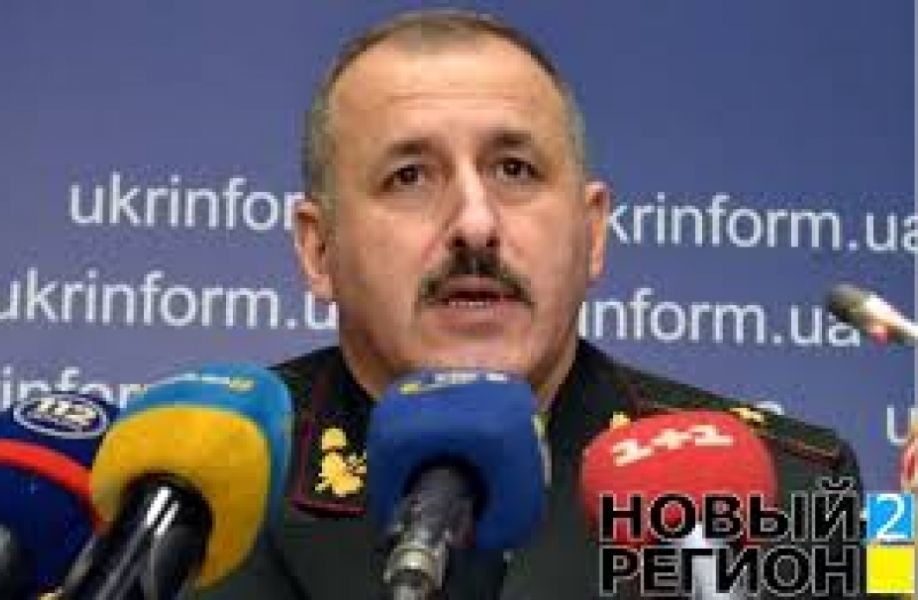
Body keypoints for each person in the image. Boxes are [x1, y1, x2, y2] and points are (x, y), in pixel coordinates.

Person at [200, 9, 869, 599]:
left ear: (593, 234)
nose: (475, 224)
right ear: (319, 249)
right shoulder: (189, 497)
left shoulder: (789, 494)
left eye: (515, 169)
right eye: (409, 177)